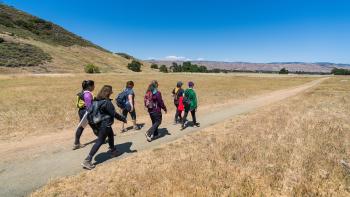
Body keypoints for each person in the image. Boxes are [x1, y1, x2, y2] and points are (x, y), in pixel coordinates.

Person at [82, 85, 127, 170]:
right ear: (108, 92)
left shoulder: (96, 100)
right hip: (105, 124)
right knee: (100, 141)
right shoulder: (107, 102)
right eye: (111, 91)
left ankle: (113, 151)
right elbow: (114, 114)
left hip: (99, 123)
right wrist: (123, 119)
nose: (112, 93)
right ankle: (87, 160)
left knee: (110, 134)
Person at [73, 80, 95, 150]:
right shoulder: (87, 94)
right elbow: (89, 106)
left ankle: (76, 143)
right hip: (86, 112)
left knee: (82, 126)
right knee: (94, 124)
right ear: (89, 86)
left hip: (81, 111)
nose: (94, 87)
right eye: (93, 85)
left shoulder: (81, 93)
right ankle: (101, 139)